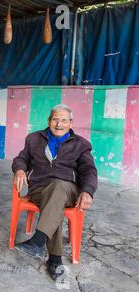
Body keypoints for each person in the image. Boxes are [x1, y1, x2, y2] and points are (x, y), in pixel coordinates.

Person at [12, 104, 97, 281]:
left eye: (64, 120)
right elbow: (21, 158)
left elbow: (89, 170)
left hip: (68, 190)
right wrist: (20, 169)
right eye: (55, 119)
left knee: (58, 188)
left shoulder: (81, 145)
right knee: (53, 203)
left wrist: (88, 191)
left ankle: (39, 241)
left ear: (70, 123)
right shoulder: (33, 139)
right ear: (49, 121)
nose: (59, 124)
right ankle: (54, 259)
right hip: (39, 189)